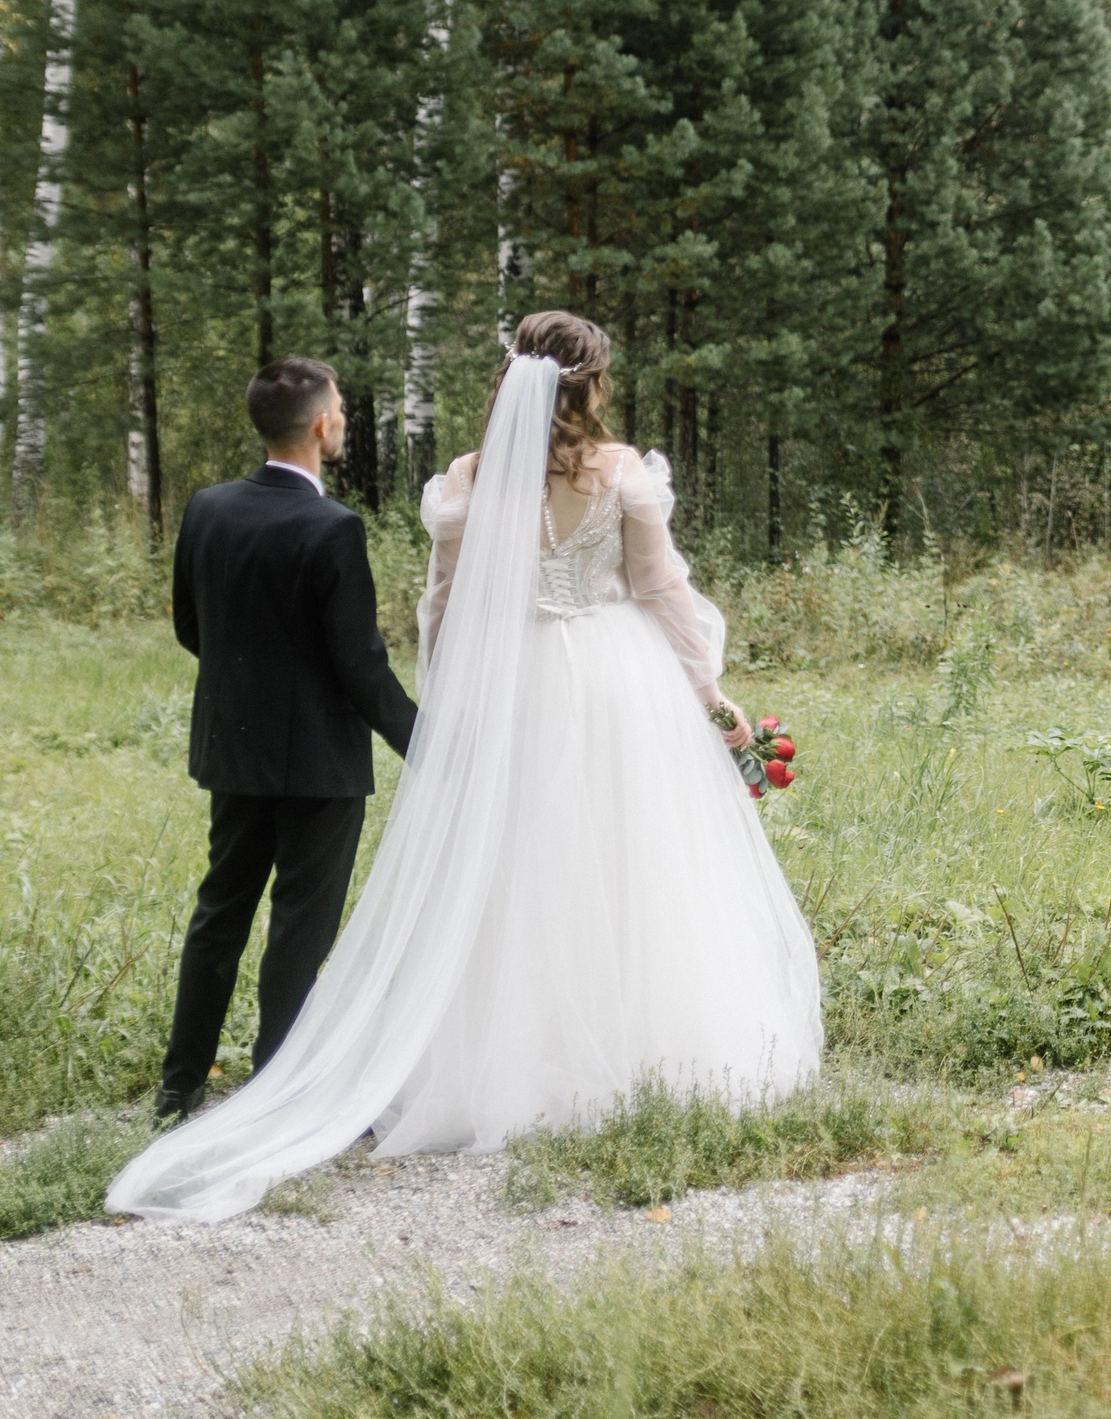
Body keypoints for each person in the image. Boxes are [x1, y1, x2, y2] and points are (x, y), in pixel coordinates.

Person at [108, 312, 823, 1221]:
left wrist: (448, 711)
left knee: (508, 871)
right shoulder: (622, 475)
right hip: (617, 686)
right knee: (630, 861)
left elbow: (442, 609)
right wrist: (710, 694)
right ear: (592, 383)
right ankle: (636, 1052)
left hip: (510, 690)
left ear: (512, 379)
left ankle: (487, 1060)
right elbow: (662, 591)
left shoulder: (467, 482)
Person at [155, 358, 418, 1123]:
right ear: (321, 425)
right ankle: (276, 1090)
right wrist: (430, 745)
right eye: (341, 411)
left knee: (220, 913)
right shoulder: (333, 528)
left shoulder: (208, 509)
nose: (343, 420)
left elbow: (191, 627)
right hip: (319, 766)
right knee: (300, 927)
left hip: (234, 751)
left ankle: (180, 1086)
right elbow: (362, 667)